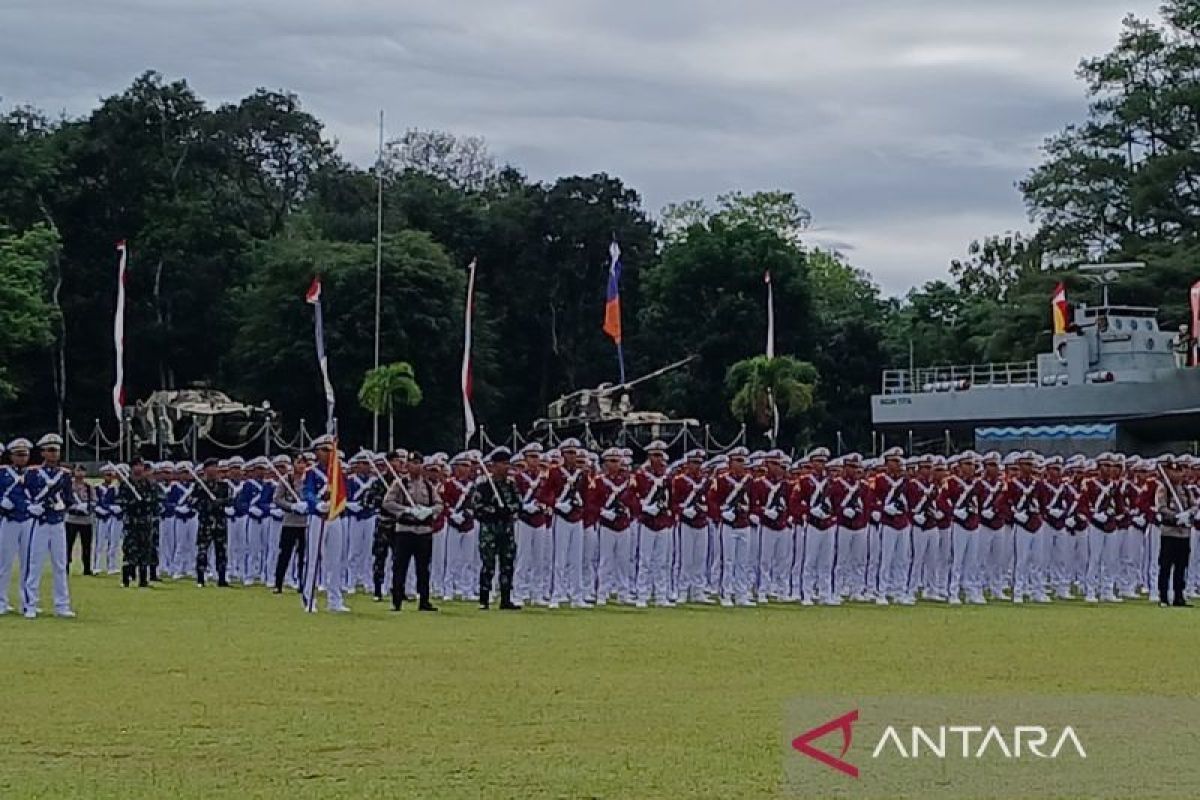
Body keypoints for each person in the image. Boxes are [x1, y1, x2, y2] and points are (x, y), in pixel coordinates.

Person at [23, 434, 76, 618]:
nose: (55, 454)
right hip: (40, 523)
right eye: (51, 450)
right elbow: (26, 495)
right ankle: (31, 604)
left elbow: (69, 498)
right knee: (35, 563)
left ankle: (62, 605)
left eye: (57, 450)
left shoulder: (65, 474)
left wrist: (64, 505)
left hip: (57, 522)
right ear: (43, 452)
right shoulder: (33, 473)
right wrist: (32, 507)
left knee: (60, 565)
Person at [381, 452, 442, 612]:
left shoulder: (428, 486)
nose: (415, 466)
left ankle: (424, 600)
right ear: (407, 465)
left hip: (423, 531)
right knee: (400, 567)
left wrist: (428, 511)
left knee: (423, 568)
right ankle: (397, 600)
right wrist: (406, 510)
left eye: (418, 463)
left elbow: (439, 505)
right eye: (412, 463)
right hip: (405, 530)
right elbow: (387, 503)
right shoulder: (400, 484)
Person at [299, 436, 350, 613]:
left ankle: (334, 600)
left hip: (334, 516)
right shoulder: (312, 472)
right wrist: (317, 504)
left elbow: (344, 492)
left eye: (330, 450)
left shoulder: (338, 473)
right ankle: (309, 598)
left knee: (335, 560)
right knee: (313, 559)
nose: (329, 454)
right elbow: (307, 492)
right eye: (325, 450)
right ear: (317, 452)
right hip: (318, 517)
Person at [470, 446, 523, 610]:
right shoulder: (484, 486)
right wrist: (494, 510)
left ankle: (506, 598)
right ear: (494, 465)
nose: (507, 467)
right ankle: (484, 598)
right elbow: (476, 507)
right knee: (488, 564)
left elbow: (518, 504)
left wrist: (509, 509)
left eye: (508, 464)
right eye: (503, 464)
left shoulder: (510, 485)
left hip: (506, 529)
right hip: (489, 530)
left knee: (507, 563)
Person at [118, 457, 165, 588]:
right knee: (130, 550)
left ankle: (143, 579)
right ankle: (126, 578)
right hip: (131, 522)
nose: (139, 468)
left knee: (146, 550)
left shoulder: (149, 484)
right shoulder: (126, 484)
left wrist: (147, 501)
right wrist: (132, 502)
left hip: (146, 521)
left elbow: (158, 498)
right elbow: (120, 501)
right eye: (136, 465)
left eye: (141, 465)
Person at [1154, 455, 1192, 608]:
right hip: (1169, 532)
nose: (1178, 475)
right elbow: (1161, 508)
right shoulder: (1164, 489)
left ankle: (1179, 596)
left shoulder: (1186, 489)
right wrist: (1176, 516)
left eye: (1180, 472)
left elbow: (1194, 505)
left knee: (1181, 566)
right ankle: (1163, 596)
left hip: (1184, 533)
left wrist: (1189, 514)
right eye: (1174, 472)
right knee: (1166, 565)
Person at [193, 458, 231, 587]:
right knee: (203, 550)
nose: (213, 470)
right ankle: (200, 577)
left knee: (221, 550)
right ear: (205, 469)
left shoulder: (223, 485)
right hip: (205, 522)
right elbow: (193, 501)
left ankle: (221, 577)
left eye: (215, 467)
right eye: (211, 467)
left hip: (220, 521)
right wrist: (205, 502)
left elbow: (229, 500)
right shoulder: (199, 485)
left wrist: (220, 502)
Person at [272, 456, 307, 593]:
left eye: (304, 463)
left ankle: (302, 583)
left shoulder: (309, 480)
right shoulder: (286, 480)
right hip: (290, 521)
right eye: (299, 462)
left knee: (303, 556)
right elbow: (277, 498)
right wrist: (291, 506)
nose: (301, 466)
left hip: (305, 523)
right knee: (284, 554)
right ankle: (278, 583)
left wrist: (308, 505)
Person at [66, 465, 96, 576]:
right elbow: (64, 500)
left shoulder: (89, 487)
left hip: (86, 520)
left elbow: (94, 501)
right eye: (78, 470)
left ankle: (87, 568)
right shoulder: (69, 486)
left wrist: (87, 507)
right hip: (71, 520)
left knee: (87, 546)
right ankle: (66, 567)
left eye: (82, 470)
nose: (80, 473)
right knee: (68, 545)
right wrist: (74, 507)